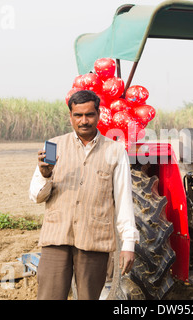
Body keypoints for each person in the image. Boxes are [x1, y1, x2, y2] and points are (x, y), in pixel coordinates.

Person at [29, 90, 139, 300]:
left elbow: (124, 201)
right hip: (56, 238)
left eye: (89, 114)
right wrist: (45, 175)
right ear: (70, 116)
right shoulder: (53, 146)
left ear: (99, 115)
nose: (84, 121)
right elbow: (36, 197)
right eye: (78, 115)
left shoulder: (115, 151)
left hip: (94, 240)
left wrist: (128, 244)